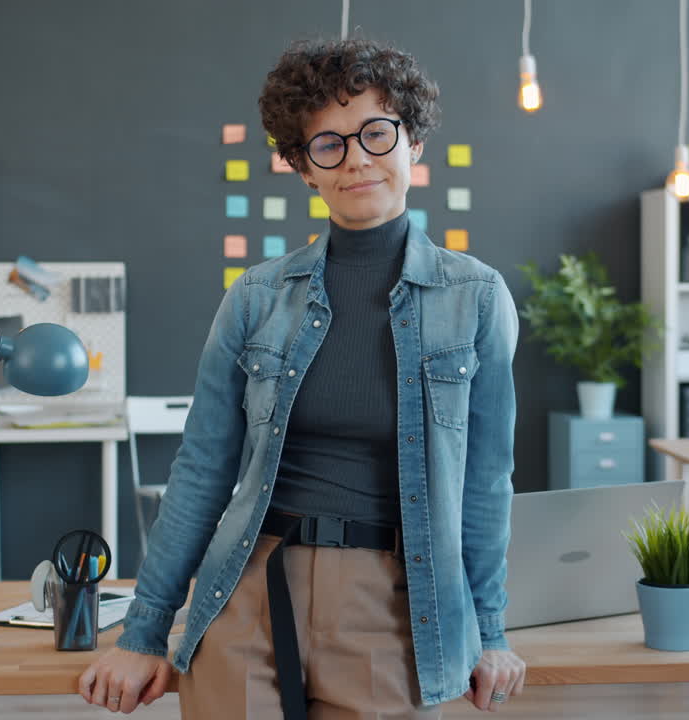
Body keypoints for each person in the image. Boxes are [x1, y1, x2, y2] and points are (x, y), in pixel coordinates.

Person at [79, 36, 524, 719]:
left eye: (377, 133)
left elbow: (486, 482)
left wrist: (490, 633)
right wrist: (143, 631)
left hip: (393, 610)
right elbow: (201, 470)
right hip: (249, 590)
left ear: (414, 145)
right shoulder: (256, 298)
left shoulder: (476, 297)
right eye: (329, 145)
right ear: (302, 167)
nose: (358, 161)